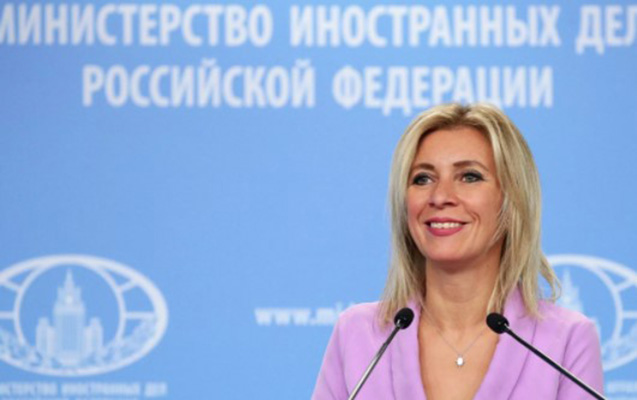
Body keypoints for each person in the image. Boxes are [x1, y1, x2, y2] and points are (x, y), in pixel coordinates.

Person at [311, 103, 604, 400]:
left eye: (469, 176)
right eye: (423, 178)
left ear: (511, 199)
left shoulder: (566, 341)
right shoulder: (357, 334)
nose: (440, 196)